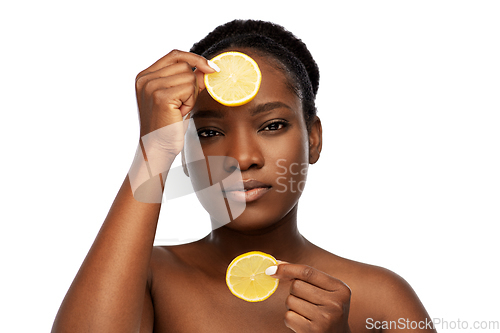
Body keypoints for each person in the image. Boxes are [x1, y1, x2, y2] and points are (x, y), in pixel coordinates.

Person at [52, 20, 436, 333]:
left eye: (271, 125)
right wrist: (153, 150)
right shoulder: (146, 279)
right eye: (208, 133)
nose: (241, 158)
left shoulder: (381, 300)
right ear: (183, 155)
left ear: (313, 138)